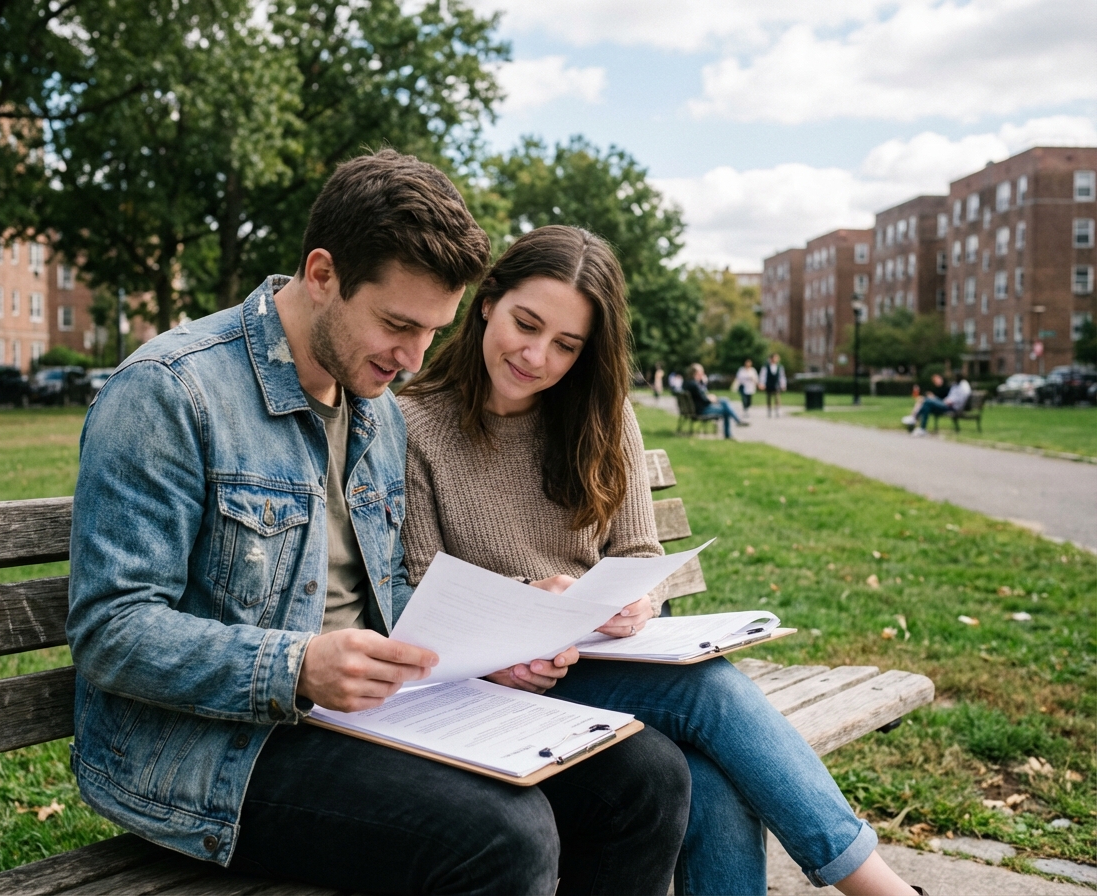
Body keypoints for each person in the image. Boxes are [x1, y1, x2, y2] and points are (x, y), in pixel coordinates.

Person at [65, 152, 689, 896]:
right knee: (505, 838)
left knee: (645, 777)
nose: (414, 356)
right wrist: (297, 666)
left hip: (378, 714)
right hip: (214, 748)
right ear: (323, 273)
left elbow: (389, 586)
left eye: (434, 331)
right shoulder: (171, 393)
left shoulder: (377, 410)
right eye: (397, 324)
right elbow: (113, 629)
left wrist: (496, 650)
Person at [397, 225, 921, 896]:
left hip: (602, 661)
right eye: (526, 324)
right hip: (493, 683)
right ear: (486, 302)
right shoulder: (413, 424)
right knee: (706, 693)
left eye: (566, 345)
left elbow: (641, 552)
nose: (536, 356)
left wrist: (637, 601)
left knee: (707, 775)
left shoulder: (599, 412)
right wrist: (529, 597)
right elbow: (413, 585)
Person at [683, 362, 746, 439]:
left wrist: (708, 395)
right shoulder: (694, 384)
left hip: (697, 408)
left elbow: (699, 396)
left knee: (724, 400)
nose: (703, 374)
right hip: (701, 410)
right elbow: (704, 400)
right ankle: (729, 433)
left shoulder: (688, 383)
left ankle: (737, 421)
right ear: (696, 373)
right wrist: (711, 399)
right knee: (726, 410)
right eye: (701, 372)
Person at [913, 372, 972, 436]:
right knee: (927, 405)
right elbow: (951, 395)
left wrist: (951, 401)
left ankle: (916, 418)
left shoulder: (963, 386)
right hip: (947, 403)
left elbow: (962, 397)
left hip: (952, 406)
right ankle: (922, 428)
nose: (954, 378)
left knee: (927, 401)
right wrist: (947, 399)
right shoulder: (956, 385)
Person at [761, 352, 787, 417]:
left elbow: (782, 376)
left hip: (776, 383)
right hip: (769, 383)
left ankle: (777, 410)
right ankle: (769, 410)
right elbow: (763, 375)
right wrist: (762, 383)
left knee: (777, 397)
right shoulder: (766, 366)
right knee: (768, 397)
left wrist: (783, 384)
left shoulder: (780, 367)